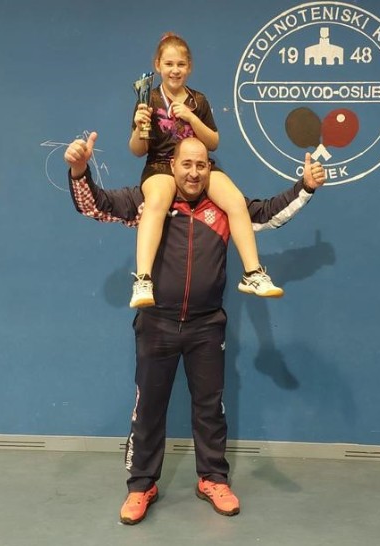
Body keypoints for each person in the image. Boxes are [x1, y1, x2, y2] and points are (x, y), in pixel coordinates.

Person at [64, 133, 326, 524]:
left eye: (201, 165)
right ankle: (141, 486)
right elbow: (95, 206)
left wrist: (305, 186)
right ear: (171, 166)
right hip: (157, 323)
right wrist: (79, 171)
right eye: (186, 164)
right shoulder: (149, 201)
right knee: (148, 410)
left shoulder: (224, 206)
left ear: (210, 168)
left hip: (206, 326)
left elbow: (269, 214)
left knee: (210, 409)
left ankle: (213, 479)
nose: (193, 172)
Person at [128, 33, 283, 309]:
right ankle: (143, 279)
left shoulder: (198, 100)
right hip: (160, 164)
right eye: (169, 64)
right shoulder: (148, 99)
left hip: (198, 165)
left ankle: (252, 273)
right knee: (157, 201)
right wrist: (140, 126)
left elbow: (213, 142)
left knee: (236, 200)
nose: (175, 70)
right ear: (157, 65)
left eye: (181, 64)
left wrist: (191, 118)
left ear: (189, 67)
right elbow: (137, 150)